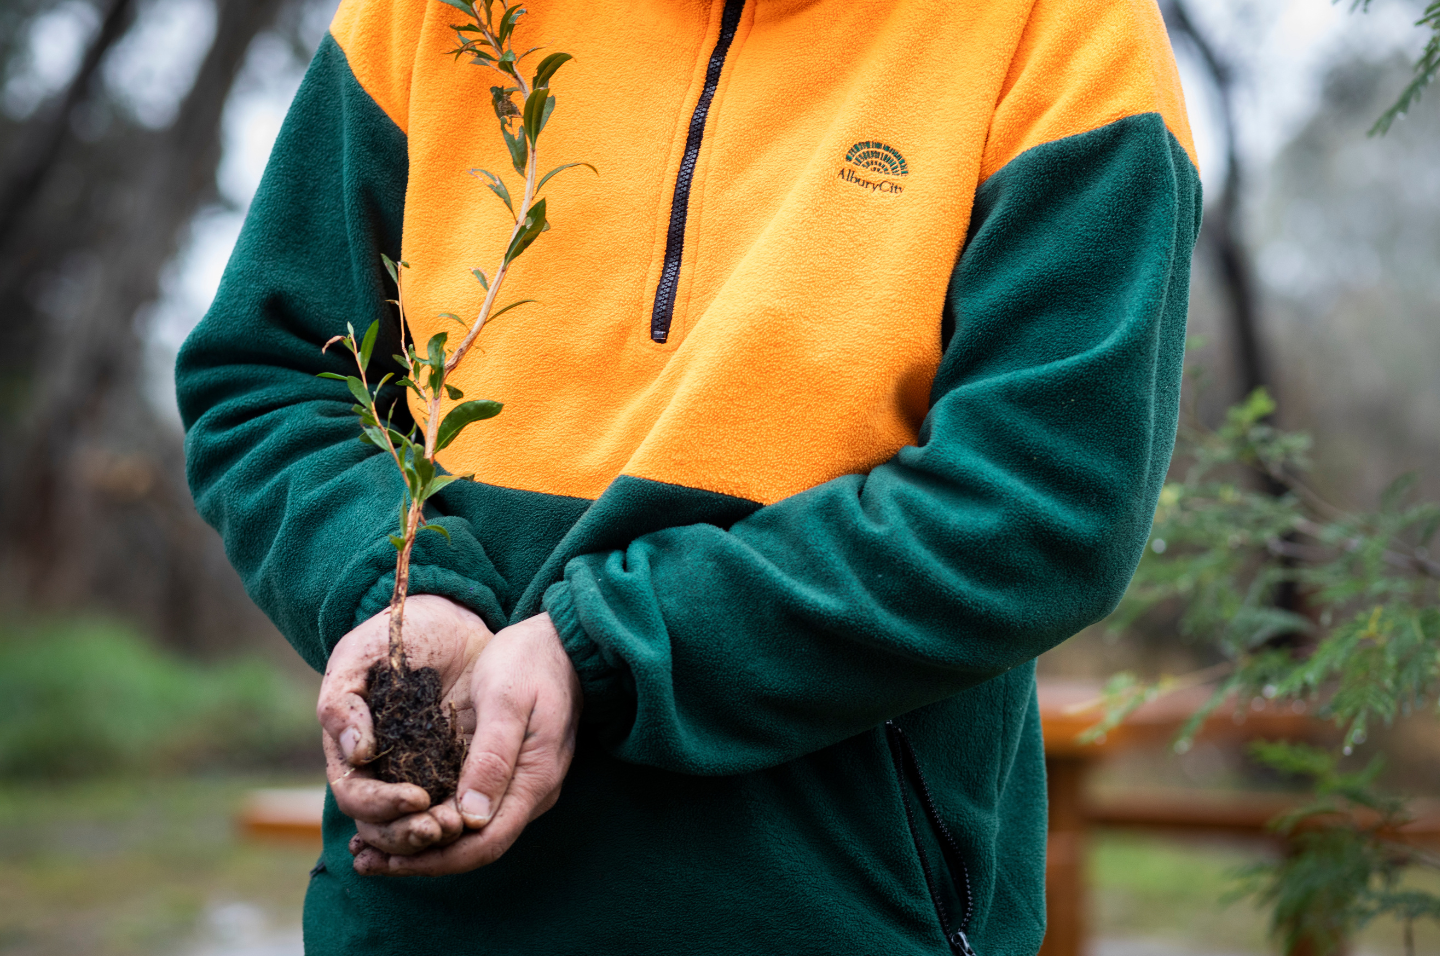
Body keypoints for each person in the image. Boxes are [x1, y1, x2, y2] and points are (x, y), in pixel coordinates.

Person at [177, 0, 1200, 952]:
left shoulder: (1058, 26)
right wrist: (399, 591)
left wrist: (601, 653)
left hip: (836, 911)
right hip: (418, 914)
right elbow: (270, 375)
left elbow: (1042, 502)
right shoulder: (434, 14)